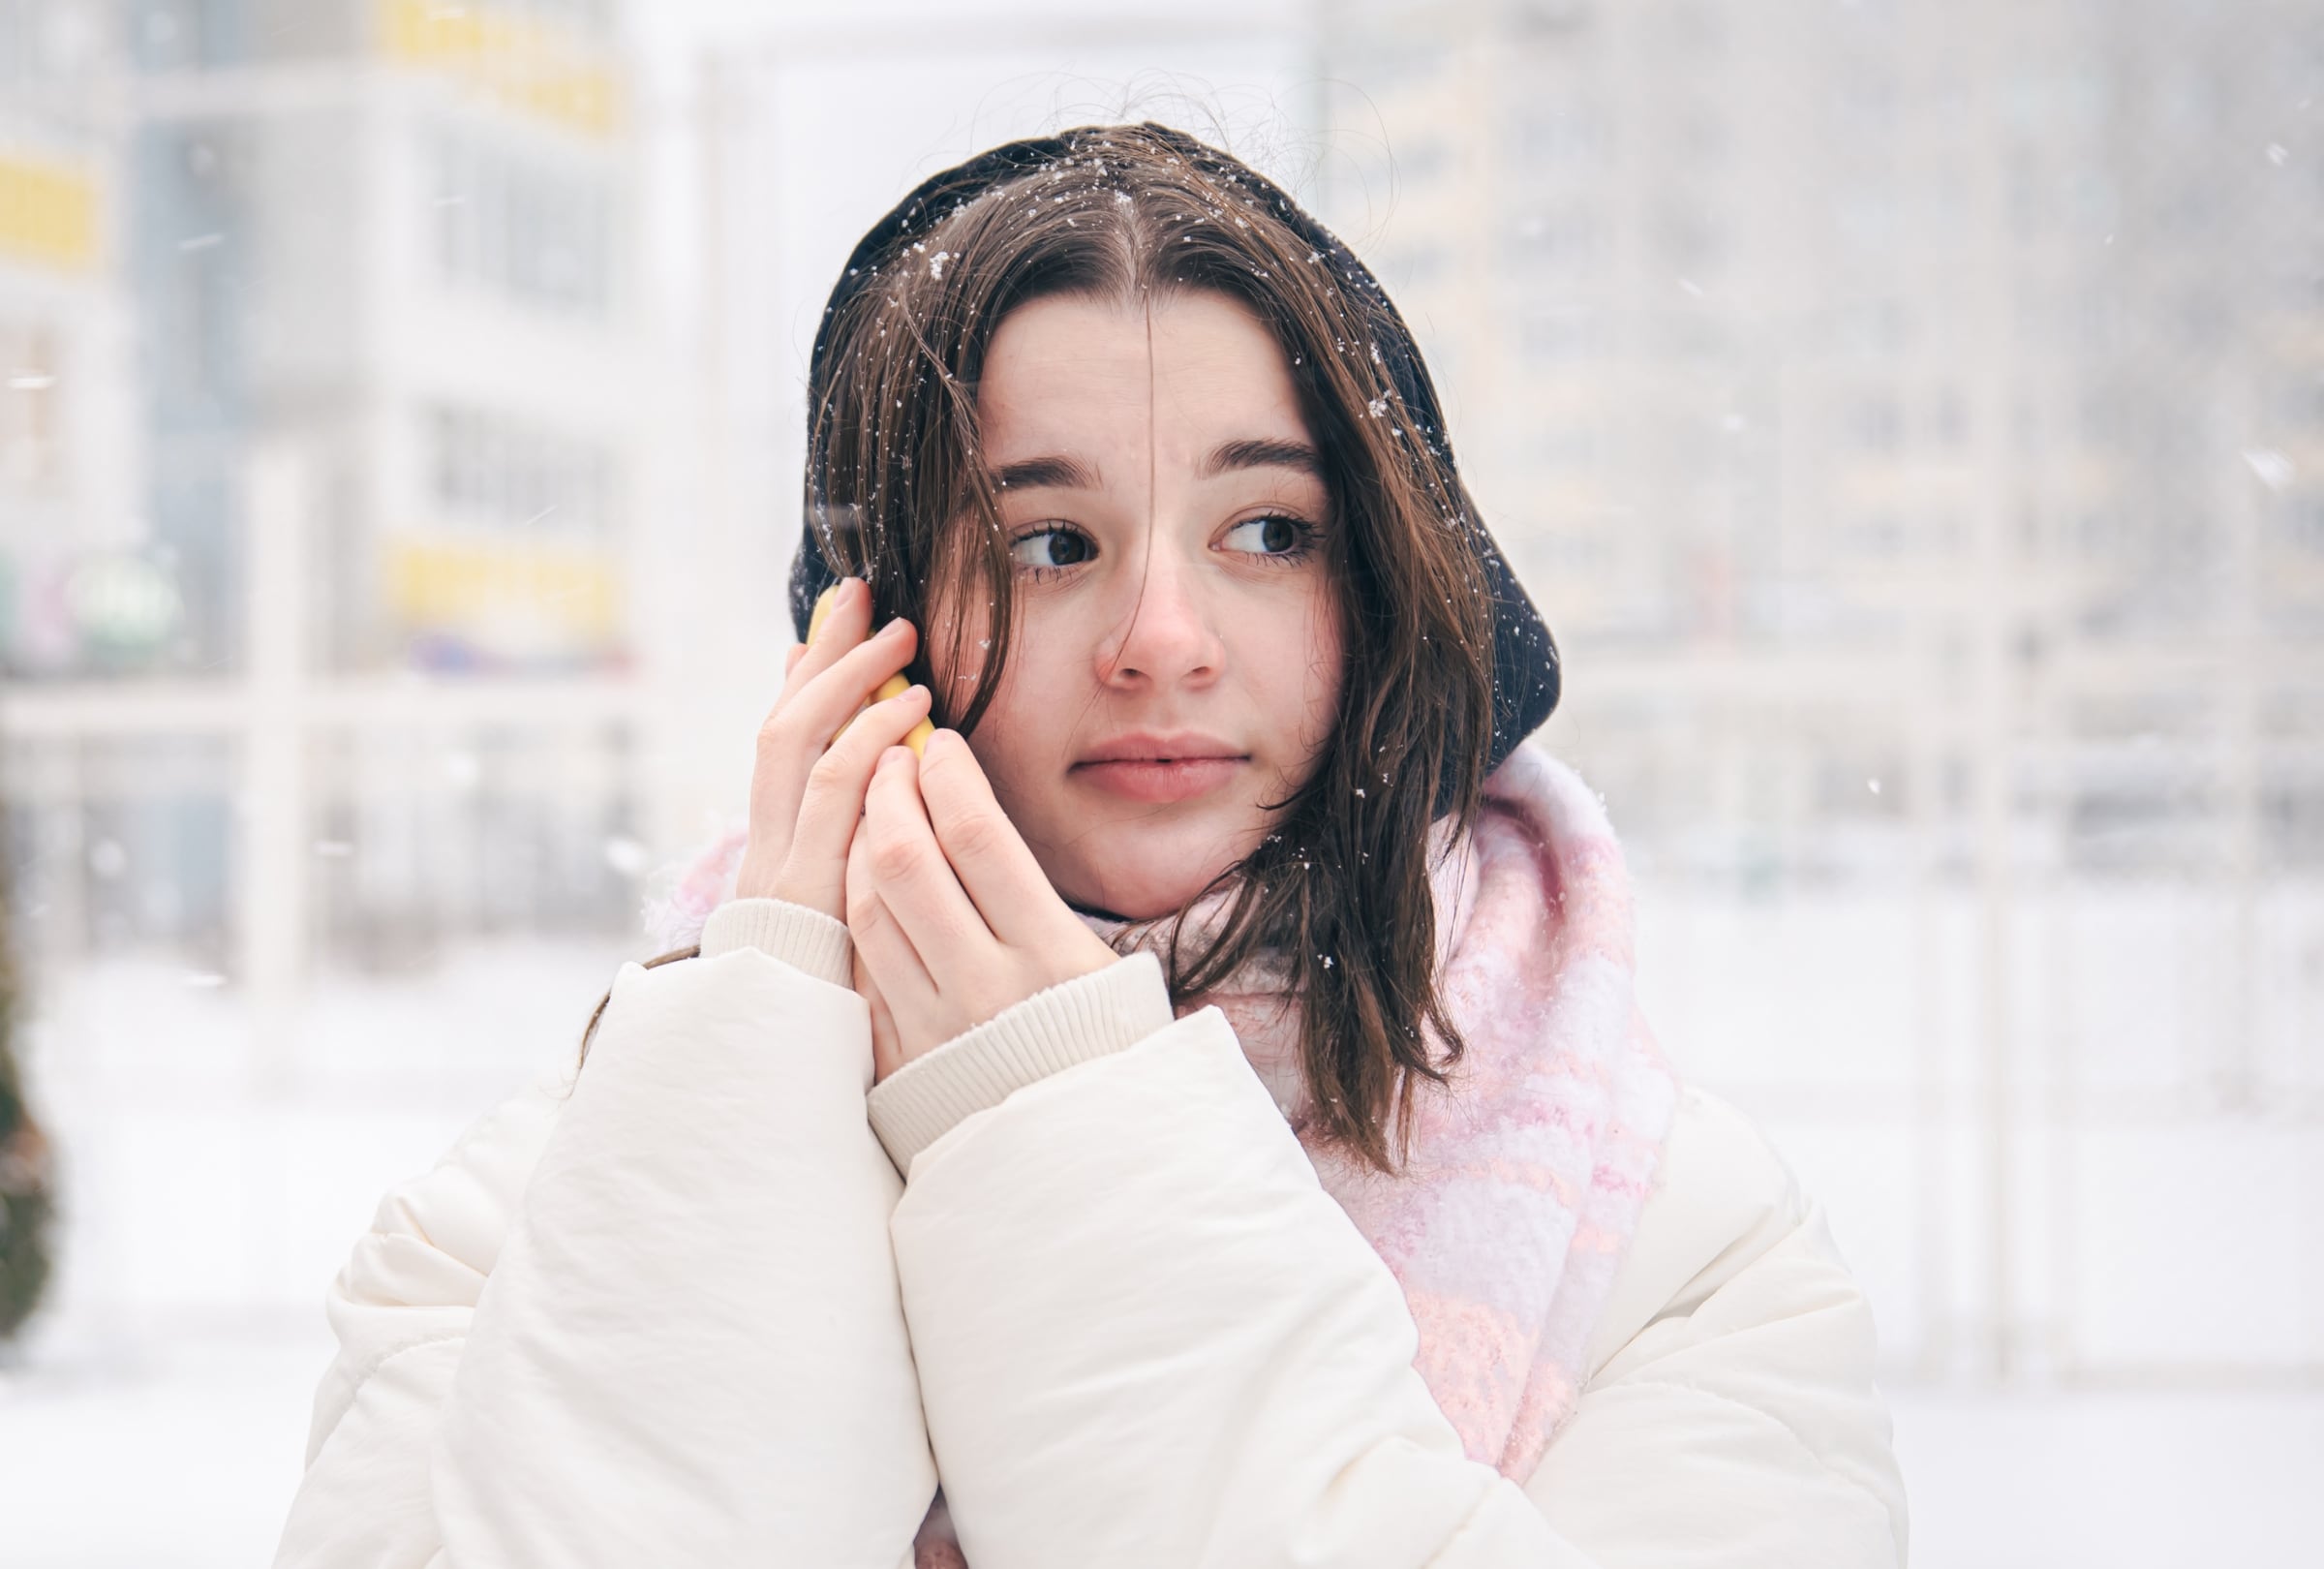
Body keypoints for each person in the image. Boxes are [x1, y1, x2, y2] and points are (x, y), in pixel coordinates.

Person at [271, 123, 1908, 1569]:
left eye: (1269, 531)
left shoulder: (1671, 1239)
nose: (1163, 639)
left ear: (1389, 594)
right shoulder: (547, 1206)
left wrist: (1051, 1118)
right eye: (1050, 543)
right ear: (869, 636)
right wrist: (763, 1030)